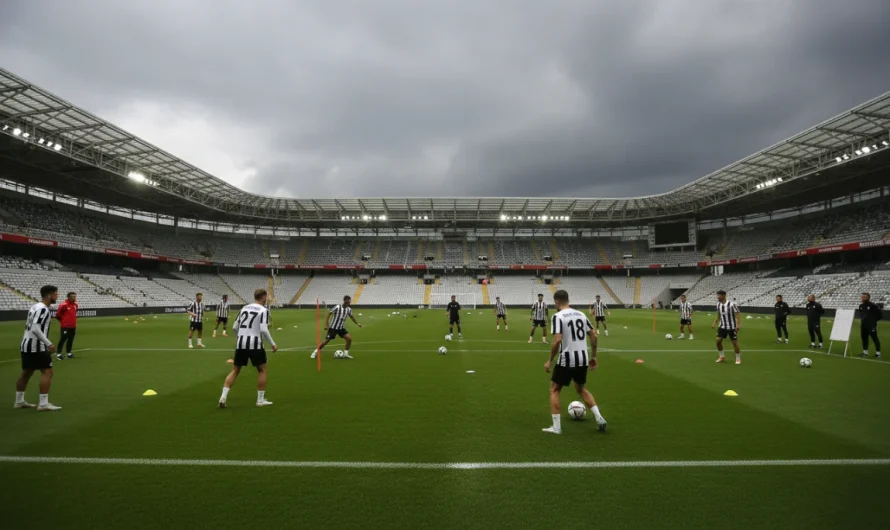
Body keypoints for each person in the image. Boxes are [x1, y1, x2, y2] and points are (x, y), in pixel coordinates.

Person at [542, 289, 607, 434]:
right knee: (581, 389)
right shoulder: (581, 314)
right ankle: (600, 418)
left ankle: (556, 427)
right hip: (583, 358)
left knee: (554, 389)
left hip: (567, 359)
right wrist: (594, 356)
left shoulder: (558, 316)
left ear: (557, 302)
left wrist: (549, 360)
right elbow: (594, 337)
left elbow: (557, 340)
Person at [219, 289, 276, 408]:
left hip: (241, 343)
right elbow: (264, 329)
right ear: (263, 297)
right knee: (262, 370)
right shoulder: (263, 310)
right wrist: (273, 343)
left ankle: (223, 397)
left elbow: (235, 327)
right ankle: (260, 400)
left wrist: (240, 338)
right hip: (255, 343)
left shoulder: (244, 308)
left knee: (235, 370)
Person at [15, 285, 61, 411]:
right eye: (55, 294)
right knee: (48, 372)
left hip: (26, 344)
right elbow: (35, 329)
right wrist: (48, 343)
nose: (57, 296)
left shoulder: (35, 306)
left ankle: (19, 401)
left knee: (27, 372)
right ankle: (43, 404)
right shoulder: (43, 309)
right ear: (49, 295)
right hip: (36, 345)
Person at [712, 290, 742, 364]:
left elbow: (737, 314)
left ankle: (738, 358)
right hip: (722, 326)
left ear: (724, 296)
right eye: (717, 295)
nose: (717, 297)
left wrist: (738, 325)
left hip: (732, 327)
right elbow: (719, 314)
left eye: (719, 295)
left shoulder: (732, 304)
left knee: (734, 343)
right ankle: (721, 356)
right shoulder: (718, 304)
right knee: (718, 341)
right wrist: (714, 322)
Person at [858, 292, 882, 358]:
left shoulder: (873, 306)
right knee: (864, 338)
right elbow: (861, 314)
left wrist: (873, 321)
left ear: (868, 298)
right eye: (862, 297)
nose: (862, 298)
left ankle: (878, 353)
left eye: (864, 297)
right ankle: (865, 352)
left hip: (871, 326)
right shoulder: (861, 306)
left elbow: (880, 315)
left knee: (875, 338)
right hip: (863, 325)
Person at [55, 291, 78, 360]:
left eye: (75, 296)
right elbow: (58, 315)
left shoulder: (75, 305)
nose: (74, 298)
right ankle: (59, 354)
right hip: (65, 326)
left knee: (70, 339)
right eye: (73, 297)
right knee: (63, 338)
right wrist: (63, 321)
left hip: (73, 326)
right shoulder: (63, 305)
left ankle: (69, 353)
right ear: (68, 297)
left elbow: (74, 313)